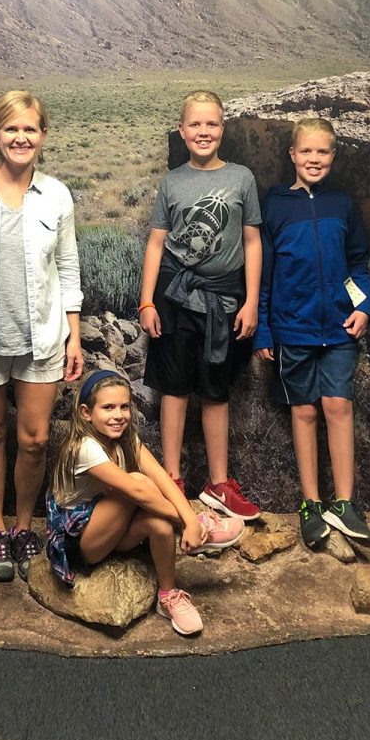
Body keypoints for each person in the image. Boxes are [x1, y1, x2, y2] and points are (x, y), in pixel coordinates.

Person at [0, 90, 84, 583]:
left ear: (43, 135)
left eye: (30, 129)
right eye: (11, 128)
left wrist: (74, 336)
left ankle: (25, 526)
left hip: (42, 337)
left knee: (33, 441)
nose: (21, 137)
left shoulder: (56, 195)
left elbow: (69, 267)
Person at [138, 90, 263, 520]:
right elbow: (156, 244)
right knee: (173, 388)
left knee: (215, 390)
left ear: (222, 129)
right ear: (182, 130)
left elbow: (252, 241)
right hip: (174, 296)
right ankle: (172, 477)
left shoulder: (242, 178)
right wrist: (147, 301)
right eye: (195, 124)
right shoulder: (172, 182)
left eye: (211, 124)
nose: (203, 131)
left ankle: (218, 483)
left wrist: (251, 303)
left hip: (224, 300)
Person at [46, 370, 244, 636]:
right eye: (108, 407)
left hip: (111, 529)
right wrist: (189, 521)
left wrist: (187, 519)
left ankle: (168, 595)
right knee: (137, 482)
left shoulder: (126, 438)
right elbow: (136, 491)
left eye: (124, 406)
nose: (119, 415)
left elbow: (162, 478)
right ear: (86, 413)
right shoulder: (84, 447)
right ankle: (201, 528)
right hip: (81, 542)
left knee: (159, 524)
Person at [254, 116, 370, 548]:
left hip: (340, 330)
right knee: (304, 412)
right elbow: (264, 275)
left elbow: (358, 263)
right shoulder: (275, 207)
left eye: (322, 151)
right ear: (292, 154)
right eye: (306, 151)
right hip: (293, 330)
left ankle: (345, 503)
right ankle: (311, 504)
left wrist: (364, 307)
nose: (314, 159)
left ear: (333, 156)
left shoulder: (342, 204)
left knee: (338, 407)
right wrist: (265, 332)